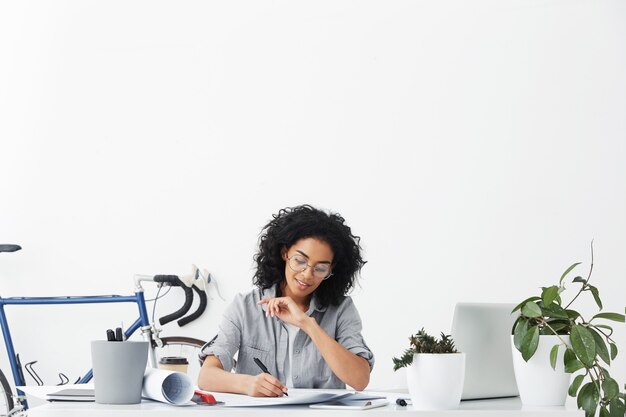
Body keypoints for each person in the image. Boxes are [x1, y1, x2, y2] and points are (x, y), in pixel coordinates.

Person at [198, 204, 374, 397]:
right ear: (284, 253)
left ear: (331, 270)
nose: (307, 275)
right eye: (300, 261)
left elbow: (360, 380)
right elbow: (206, 377)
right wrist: (247, 384)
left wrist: (307, 324)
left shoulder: (341, 310)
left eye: (320, 268)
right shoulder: (245, 307)